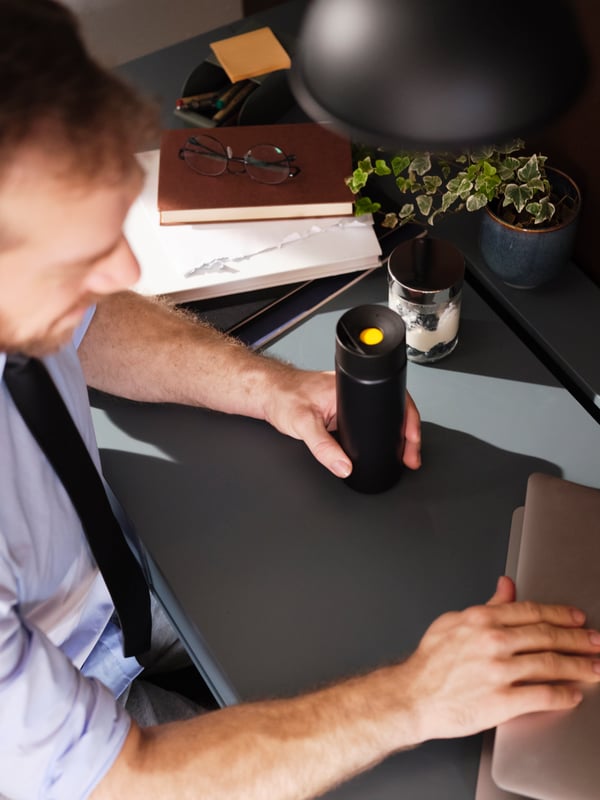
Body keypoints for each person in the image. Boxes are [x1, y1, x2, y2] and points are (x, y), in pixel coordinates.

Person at [1, 2, 600, 799]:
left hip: (123, 587)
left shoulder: (28, 284)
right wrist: (417, 697)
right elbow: (129, 776)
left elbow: (89, 321)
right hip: (89, 727)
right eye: (77, 259)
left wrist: (268, 387)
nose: (120, 275)